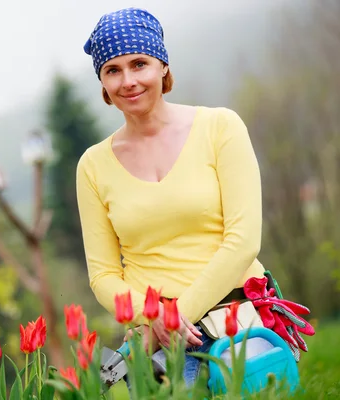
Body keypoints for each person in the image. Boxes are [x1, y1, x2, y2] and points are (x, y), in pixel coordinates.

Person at [77, 7, 270, 387]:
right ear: (102, 81)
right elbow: (102, 275)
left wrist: (177, 314)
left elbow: (243, 241)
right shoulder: (92, 166)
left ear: (163, 66)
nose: (128, 80)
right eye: (112, 70)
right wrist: (153, 317)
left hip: (236, 317)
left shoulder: (220, 128)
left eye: (139, 64)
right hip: (155, 337)